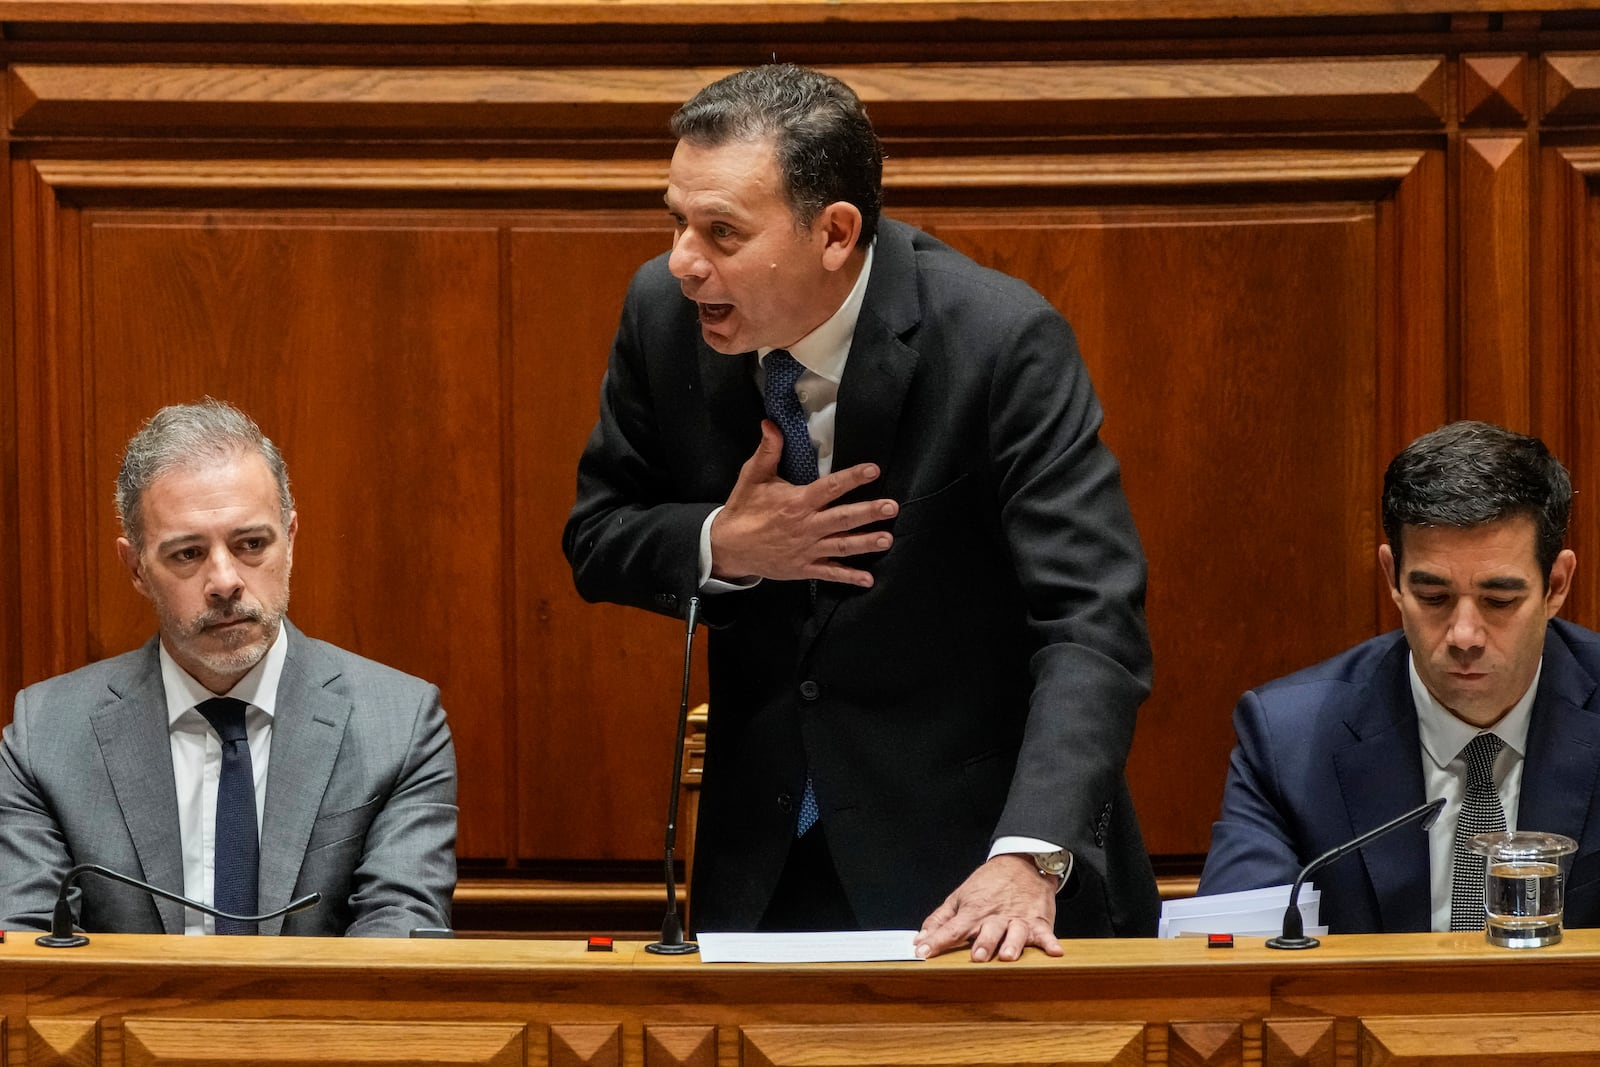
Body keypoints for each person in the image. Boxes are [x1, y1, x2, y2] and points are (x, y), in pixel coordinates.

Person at [564, 63, 1158, 961]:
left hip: (974, 868)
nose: (685, 261)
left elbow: (1092, 620)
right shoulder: (661, 314)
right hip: (763, 866)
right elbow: (598, 533)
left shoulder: (998, 342)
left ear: (835, 232)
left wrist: (1031, 852)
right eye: (677, 219)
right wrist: (726, 542)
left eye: (721, 232)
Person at [0, 400, 458, 936]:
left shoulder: (400, 727)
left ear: (291, 540)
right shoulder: (47, 737)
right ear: (136, 568)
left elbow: (397, 945)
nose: (224, 581)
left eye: (251, 544)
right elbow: (25, 958)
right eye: (188, 554)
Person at [1199, 420, 1600, 933]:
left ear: (1557, 585)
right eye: (1433, 597)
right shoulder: (1288, 741)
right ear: (1393, 579)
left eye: (1500, 600)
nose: (1464, 635)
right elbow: (1237, 961)